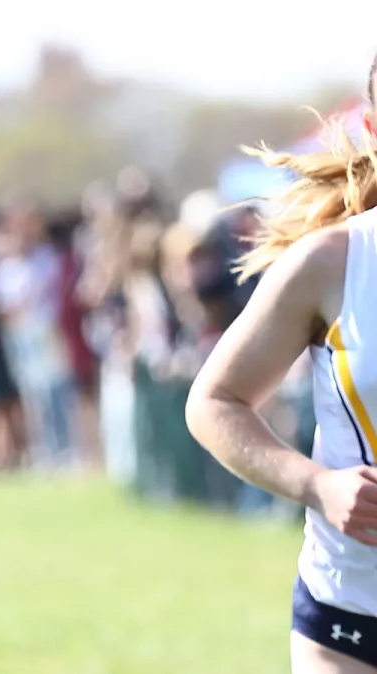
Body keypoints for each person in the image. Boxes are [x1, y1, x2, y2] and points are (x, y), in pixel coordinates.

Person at [186, 52, 377, 674]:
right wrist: (317, 486)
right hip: (349, 615)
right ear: (372, 130)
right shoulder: (333, 263)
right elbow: (214, 403)